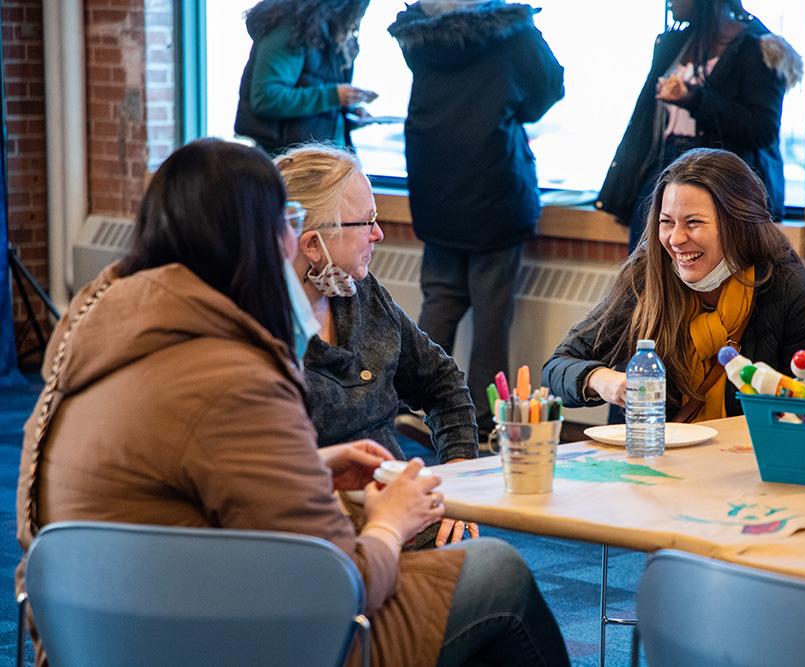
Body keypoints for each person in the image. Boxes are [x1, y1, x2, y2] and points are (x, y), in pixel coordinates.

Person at [15, 138, 571, 667]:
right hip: (233, 636)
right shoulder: (234, 373)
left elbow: (189, 477)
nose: (291, 240)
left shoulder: (94, 341)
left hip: (99, 634)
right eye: (284, 225)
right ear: (259, 241)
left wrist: (312, 468)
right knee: (497, 573)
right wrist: (388, 525)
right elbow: (339, 583)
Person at [276, 143, 479, 548]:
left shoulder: (360, 293)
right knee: (495, 579)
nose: (379, 234)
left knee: (493, 574)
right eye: (366, 222)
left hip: (403, 519)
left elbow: (442, 382)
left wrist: (457, 478)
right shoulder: (261, 330)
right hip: (322, 539)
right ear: (313, 245)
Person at [543, 148, 805, 423]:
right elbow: (555, 369)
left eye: (694, 222)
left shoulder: (792, 291)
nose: (676, 239)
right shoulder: (650, 275)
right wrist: (602, 380)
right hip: (659, 465)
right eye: (667, 222)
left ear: (739, 224)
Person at [388, 0, 564, 441]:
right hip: (493, 185)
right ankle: (482, 424)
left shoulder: (421, 34)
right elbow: (548, 88)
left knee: (441, 299)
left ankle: (416, 406)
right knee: (491, 315)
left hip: (435, 184)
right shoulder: (510, 31)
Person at [595, 0, 803, 252]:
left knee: (701, 271)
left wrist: (695, 99)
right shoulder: (673, 43)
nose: (670, 2)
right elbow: (643, 123)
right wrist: (628, 191)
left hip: (717, 181)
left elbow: (762, 130)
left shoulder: (755, 47)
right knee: (647, 272)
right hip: (662, 169)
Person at [234, 0, 379, 156]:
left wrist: (350, 112)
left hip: (326, 157)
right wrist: (334, 96)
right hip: (294, 162)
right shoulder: (290, 26)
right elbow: (267, 98)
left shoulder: (326, 30)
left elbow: (314, 92)